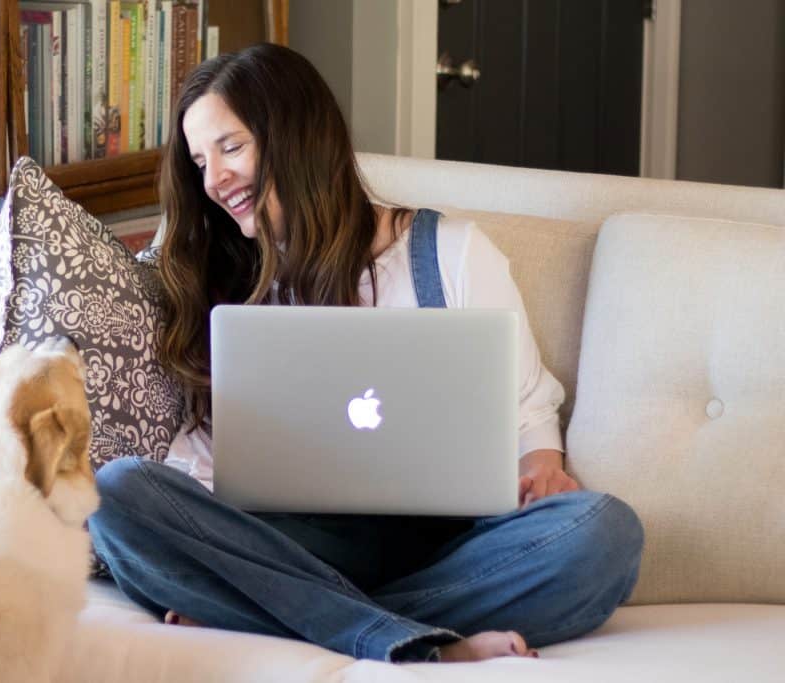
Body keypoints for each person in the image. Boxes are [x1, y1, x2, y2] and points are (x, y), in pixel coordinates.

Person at [88, 43, 643, 664]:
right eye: (199, 161)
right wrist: (207, 525)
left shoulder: (451, 253)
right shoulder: (224, 282)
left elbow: (529, 408)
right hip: (293, 542)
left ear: (297, 137)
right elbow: (196, 462)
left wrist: (543, 461)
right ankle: (417, 640)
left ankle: (286, 614)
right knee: (114, 494)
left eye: (231, 147)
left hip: (448, 545)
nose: (213, 180)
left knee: (604, 535)